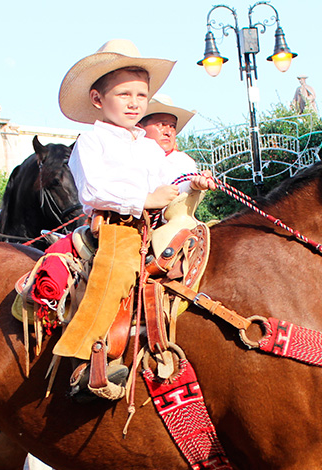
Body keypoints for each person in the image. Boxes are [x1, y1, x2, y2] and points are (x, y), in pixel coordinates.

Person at [51, 40, 214, 394]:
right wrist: (143, 199)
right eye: (124, 94)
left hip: (152, 224)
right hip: (115, 226)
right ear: (97, 99)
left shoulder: (146, 146)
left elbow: (166, 185)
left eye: (141, 95)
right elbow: (93, 191)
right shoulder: (91, 141)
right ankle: (85, 360)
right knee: (118, 271)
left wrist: (192, 185)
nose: (134, 103)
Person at [139, 93, 199, 180]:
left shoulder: (184, 163)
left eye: (172, 126)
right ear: (140, 128)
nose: (168, 132)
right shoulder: (128, 158)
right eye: (161, 125)